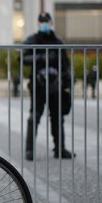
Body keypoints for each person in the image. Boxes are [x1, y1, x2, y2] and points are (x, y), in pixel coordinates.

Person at [22, 12, 74, 161]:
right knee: (34, 116)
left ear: (51, 22)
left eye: (46, 21)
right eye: (41, 21)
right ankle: (29, 150)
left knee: (58, 117)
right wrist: (41, 57)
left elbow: (65, 65)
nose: (44, 23)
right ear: (38, 23)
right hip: (38, 85)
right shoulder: (32, 40)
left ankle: (60, 148)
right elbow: (22, 58)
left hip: (56, 85)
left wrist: (67, 85)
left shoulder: (57, 41)